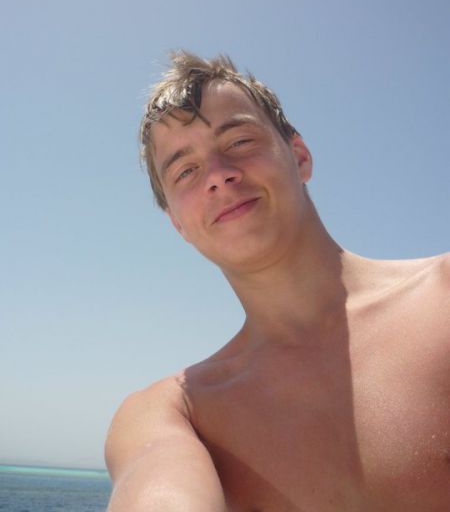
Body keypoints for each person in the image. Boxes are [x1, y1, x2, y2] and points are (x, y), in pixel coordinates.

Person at [105, 52, 450, 512]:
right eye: (185, 171)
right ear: (178, 225)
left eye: (240, 141)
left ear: (300, 156)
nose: (218, 175)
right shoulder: (174, 413)